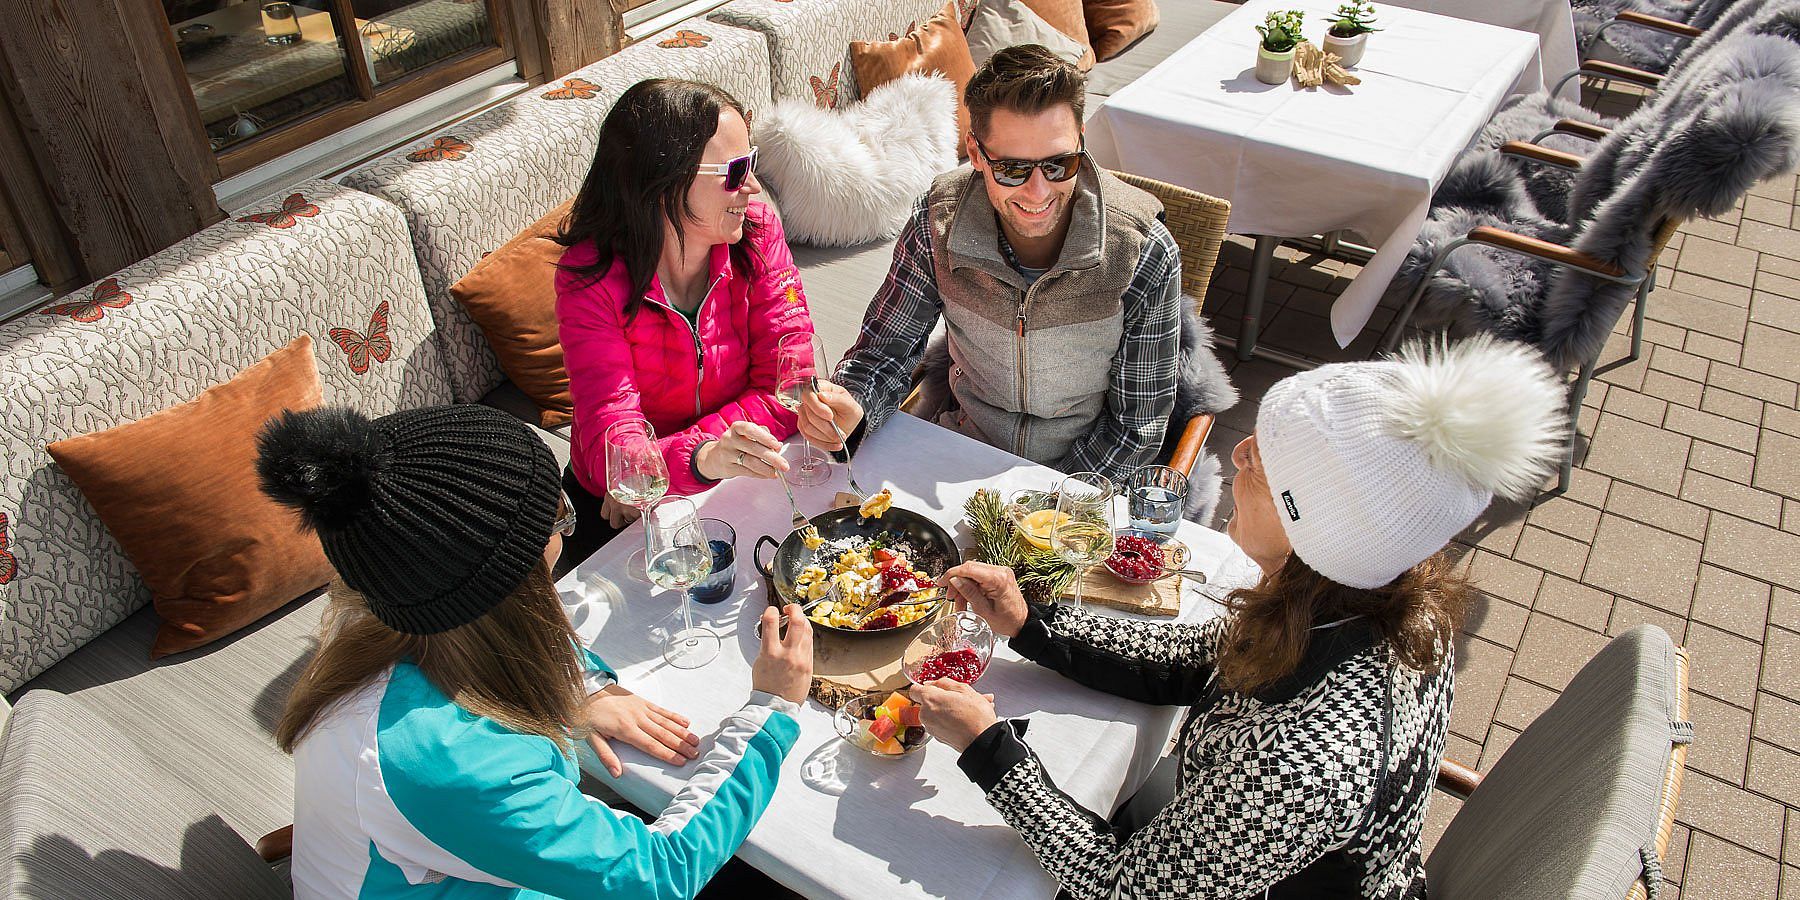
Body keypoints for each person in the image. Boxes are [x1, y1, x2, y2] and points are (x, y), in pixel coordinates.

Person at [914, 336, 1568, 897]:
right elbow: (1195, 661)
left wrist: (989, 749)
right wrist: (1032, 623)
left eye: (1270, 460)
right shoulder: (1368, 596)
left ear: (1316, 529)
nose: (1240, 452)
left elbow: (1118, 888)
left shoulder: (1293, 768)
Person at [256, 403, 814, 899]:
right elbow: (662, 874)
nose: (566, 534)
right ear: (508, 582)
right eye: (560, 517)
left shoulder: (390, 613)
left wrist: (582, 689)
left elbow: (514, 640)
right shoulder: (457, 764)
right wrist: (771, 709)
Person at [821, 44, 1230, 486]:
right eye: (1013, 169)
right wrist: (854, 404)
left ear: (1081, 142)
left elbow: (1136, 428)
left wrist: (1043, 509)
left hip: (1082, 481)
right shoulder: (935, 222)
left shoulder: (1144, 251)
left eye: (1059, 163)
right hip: (960, 451)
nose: (1038, 192)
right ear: (976, 154)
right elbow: (885, 352)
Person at [556, 78, 864, 565]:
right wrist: (694, 460)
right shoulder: (587, 278)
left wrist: (660, 467)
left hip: (729, 479)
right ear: (663, 182)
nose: (755, 186)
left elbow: (789, 387)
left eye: (752, 163)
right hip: (621, 513)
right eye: (736, 170)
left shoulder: (759, 230)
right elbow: (608, 439)